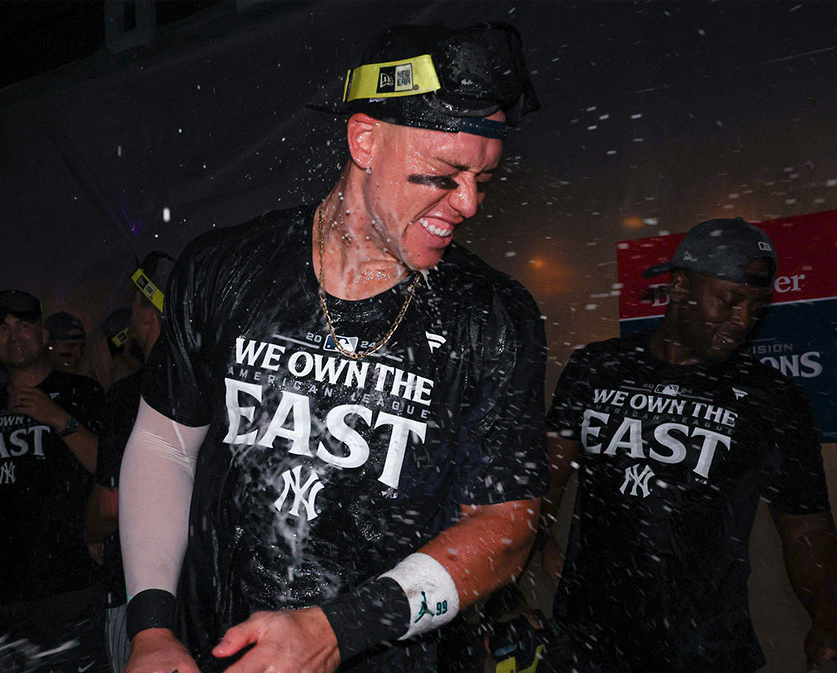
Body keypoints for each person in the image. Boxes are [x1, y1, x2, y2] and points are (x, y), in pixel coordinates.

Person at [121, 22, 545, 673]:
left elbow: (507, 527)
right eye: (443, 174)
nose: (467, 203)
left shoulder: (492, 315)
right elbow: (165, 445)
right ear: (366, 139)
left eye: (483, 180)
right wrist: (150, 627)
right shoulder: (225, 267)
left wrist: (341, 628)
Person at [543, 218, 837, 673]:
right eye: (731, 302)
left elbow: (805, 527)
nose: (744, 322)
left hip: (702, 650)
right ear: (679, 288)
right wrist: (537, 547)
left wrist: (827, 622)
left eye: (756, 307)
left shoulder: (772, 399)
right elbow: (547, 477)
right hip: (586, 642)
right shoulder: (597, 367)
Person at [0, 289, 110, 672]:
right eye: (2, 329)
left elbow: (109, 469)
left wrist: (58, 417)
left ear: (43, 336)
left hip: (73, 579)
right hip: (7, 585)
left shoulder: (81, 391)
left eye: (24, 326)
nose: (14, 336)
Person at [86, 252, 176, 673]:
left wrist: (91, 531)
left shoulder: (131, 395)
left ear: (146, 316)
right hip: (204, 593)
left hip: (142, 600)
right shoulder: (219, 383)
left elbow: (109, 507)